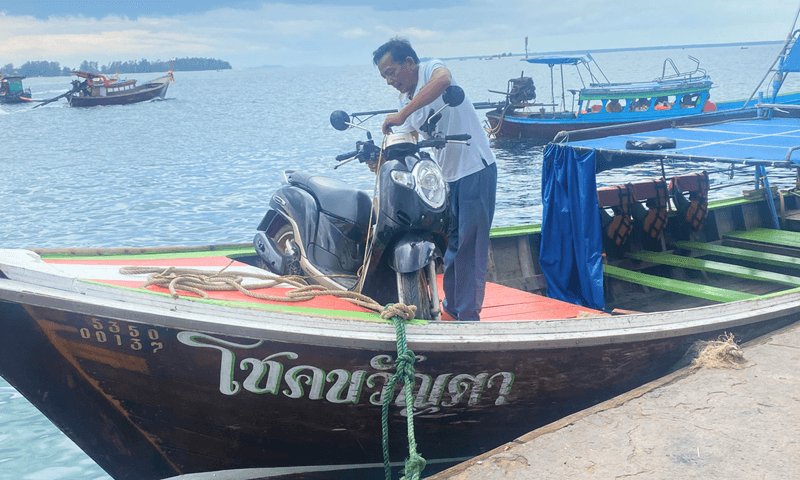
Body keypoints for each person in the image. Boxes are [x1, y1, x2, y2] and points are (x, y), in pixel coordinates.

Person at [372, 37, 497, 321]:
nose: (389, 81)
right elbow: (413, 139)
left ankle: (467, 314)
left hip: (475, 169)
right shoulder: (404, 100)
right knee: (452, 243)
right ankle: (453, 306)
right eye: (384, 77)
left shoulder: (431, 70)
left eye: (391, 72)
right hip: (448, 178)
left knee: (470, 245)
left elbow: (443, 82)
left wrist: (403, 114)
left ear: (409, 63)